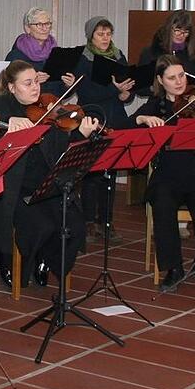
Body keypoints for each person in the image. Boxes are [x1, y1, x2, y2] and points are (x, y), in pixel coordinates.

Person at [0, 61, 101, 291]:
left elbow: (60, 148)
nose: (35, 88)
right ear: (11, 87)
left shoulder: (47, 108)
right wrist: (6, 123)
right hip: (16, 189)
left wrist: (80, 132)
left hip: (47, 185)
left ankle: (47, 260)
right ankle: (9, 259)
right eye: (27, 83)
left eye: (36, 81)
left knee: (75, 226)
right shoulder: (2, 106)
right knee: (40, 226)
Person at [131, 54, 195, 293]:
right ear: (161, 81)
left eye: (182, 75)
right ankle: (173, 268)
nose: (179, 81)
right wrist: (143, 118)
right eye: (172, 78)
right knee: (162, 206)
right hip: (167, 173)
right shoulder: (156, 105)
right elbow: (127, 123)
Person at [68, 16, 135, 244]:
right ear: (91, 36)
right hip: (93, 117)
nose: (105, 38)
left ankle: (107, 221)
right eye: (100, 34)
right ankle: (88, 221)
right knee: (92, 172)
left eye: (108, 33)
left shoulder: (118, 56)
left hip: (115, 116)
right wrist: (114, 91)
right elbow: (86, 93)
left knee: (111, 171)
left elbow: (128, 88)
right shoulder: (84, 59)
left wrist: (127, 93)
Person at [137, 9, 195, 94]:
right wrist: (160, 88)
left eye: (185, 32)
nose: (181, 35)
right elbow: (140, 88)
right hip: (160, 102)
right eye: (177, 30)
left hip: (187, 101)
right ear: (169, 28)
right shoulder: (151, 52)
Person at [5, 7, 57, 82]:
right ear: (27, 28)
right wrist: (33, 81)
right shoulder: (15, 57)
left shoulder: (56, 54)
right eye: (39, 24)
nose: (45, 28)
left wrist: (68, 84)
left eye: (47, 24)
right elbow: (9, 85)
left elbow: (59, 87)